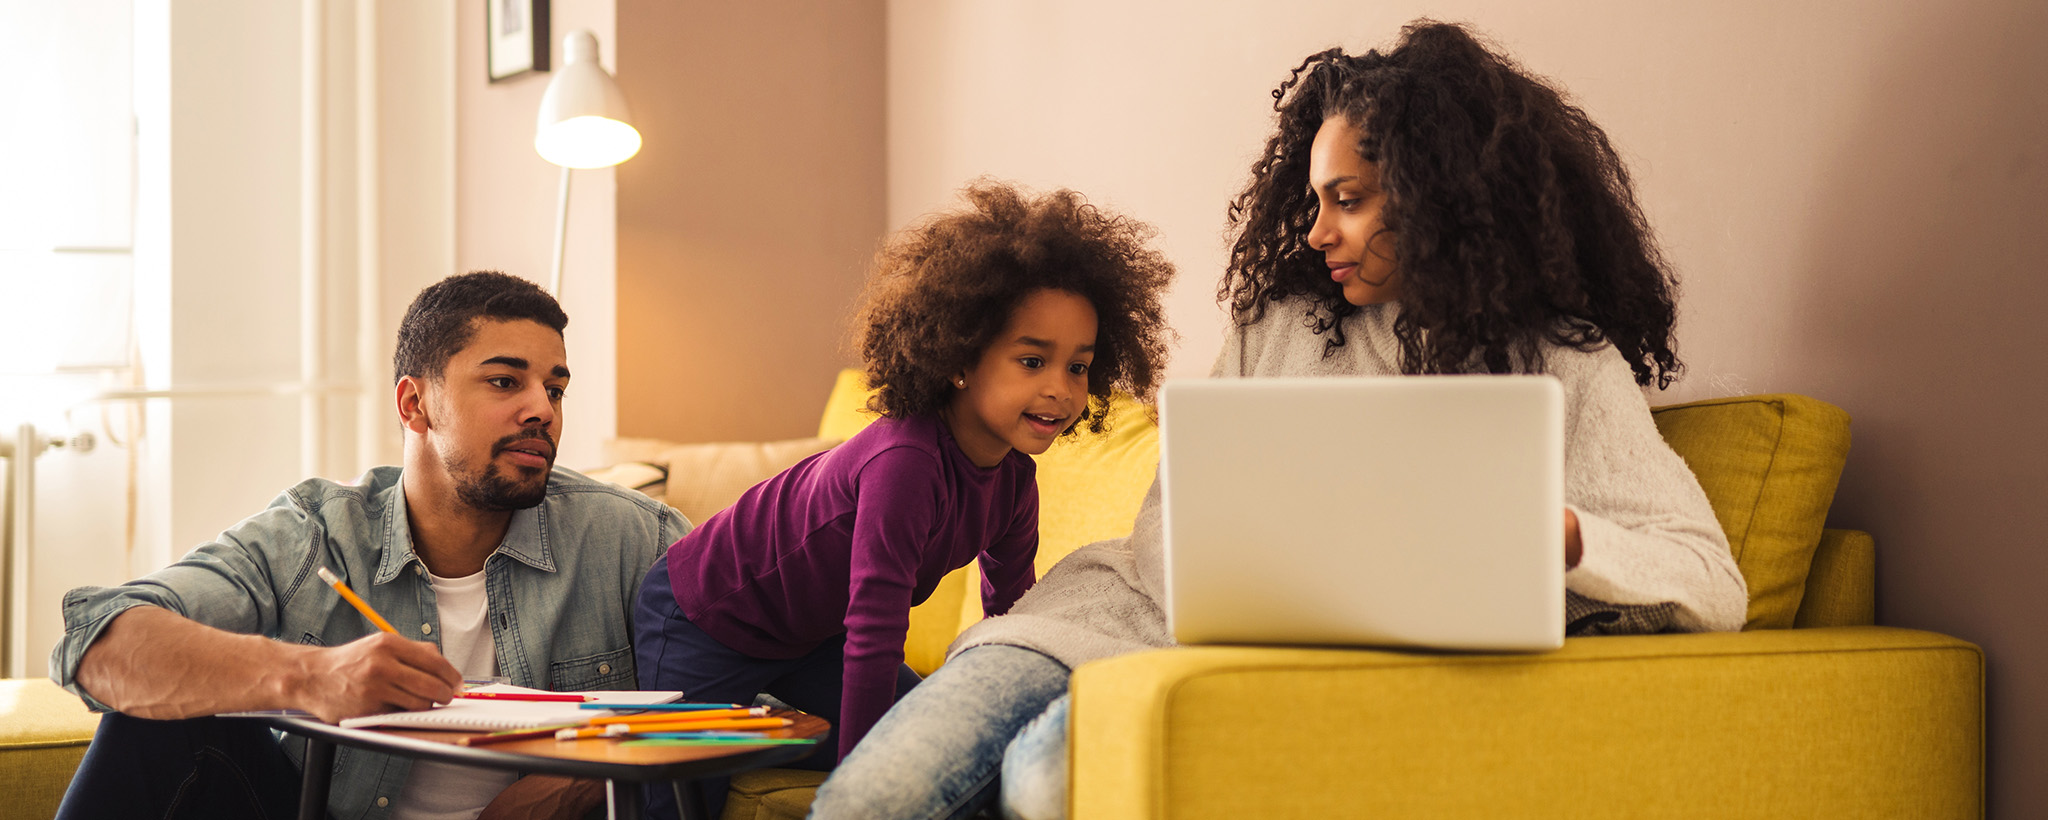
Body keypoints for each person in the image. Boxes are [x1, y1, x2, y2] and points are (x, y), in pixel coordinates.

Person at [809, 20, 1749, 820]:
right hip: (1109, 613)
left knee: (1047, 778)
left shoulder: (1566, 362)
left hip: (1259, 678)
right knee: (867, 799)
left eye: (1348, 200)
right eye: (1314, 201)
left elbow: (1710, 578)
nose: (1315, 232)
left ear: (1443, 197)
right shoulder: (1283, 324)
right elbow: (1172, 521)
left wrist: (1571, 537)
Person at [49, 271, 688, 820]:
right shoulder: (314, 535)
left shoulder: (635, 537)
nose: (542, 410)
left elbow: (751, 697)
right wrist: (309, 676)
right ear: (415, 405)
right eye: (504, 382)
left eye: (554, 388)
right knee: (150, 723)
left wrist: (582, 781)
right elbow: (98, 643)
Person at [634, 181, 1174, 819]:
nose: (1059, 388)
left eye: (1078, 367)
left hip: (813, 636)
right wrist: (866, 780)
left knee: (948, 739)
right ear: (959, 359)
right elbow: (875, 631)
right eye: (1032, 361)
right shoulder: (905, 462)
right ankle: (734, 733)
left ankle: (757, 731)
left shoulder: (1014, 483)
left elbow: (1013, 621)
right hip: (707, 615)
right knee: (674, 797)